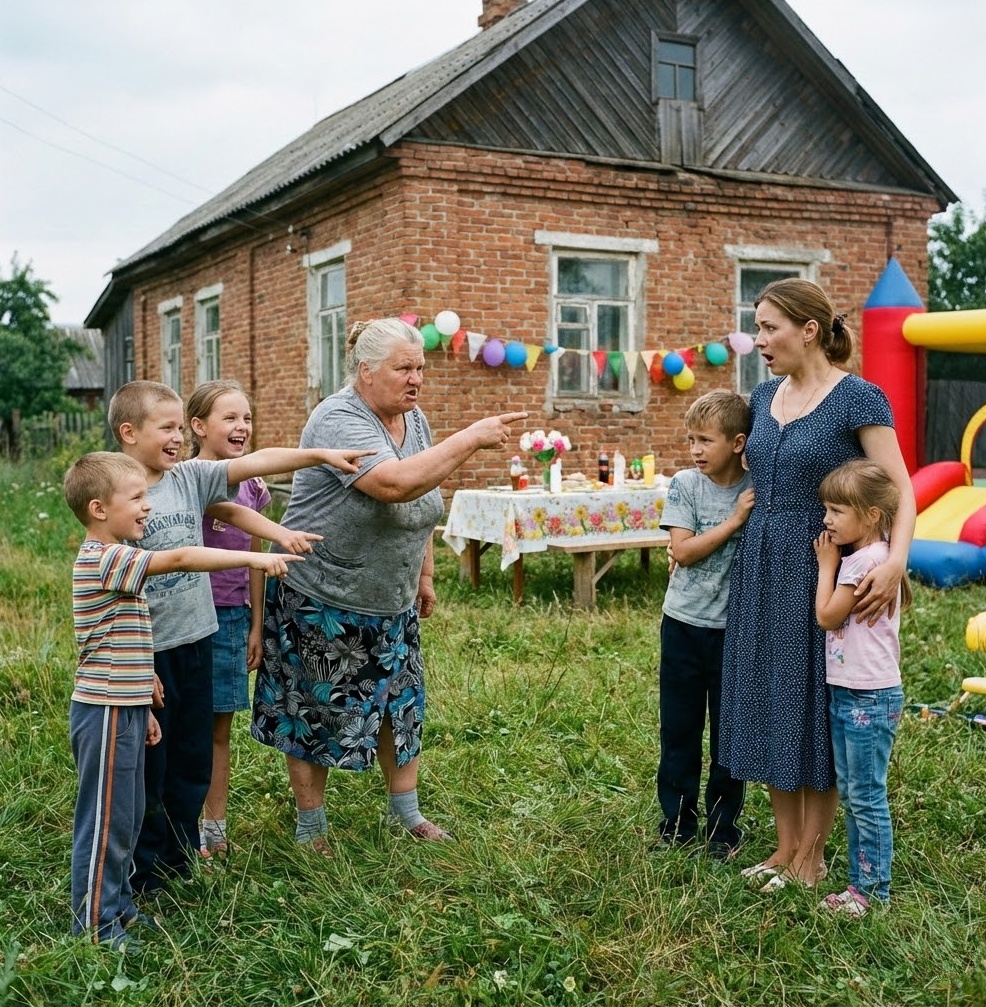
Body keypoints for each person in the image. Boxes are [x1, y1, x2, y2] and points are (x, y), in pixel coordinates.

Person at [251, 317, 526, 853]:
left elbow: (423, 495)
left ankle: (408, 812)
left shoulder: (412, 418)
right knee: (316, 712)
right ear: (366, 370)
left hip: (390, 597)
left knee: (400, 706)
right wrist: (470, 437)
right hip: (324, 595)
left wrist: (424, 573)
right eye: (404, 368)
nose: (416, 378)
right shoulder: (338, 418)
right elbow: (393, 485)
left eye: (420, 367)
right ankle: (312, 828)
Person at [106, 379, 372, 894]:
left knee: (192, 756)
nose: (178, 437)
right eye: (168, 428)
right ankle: (142, 871)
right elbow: (113, 590)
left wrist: (318, 453)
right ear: (128, 432)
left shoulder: (188, 477)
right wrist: (138, 662)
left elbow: (255, 465)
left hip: (198, 639)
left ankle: (180, 859)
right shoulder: (116, 494)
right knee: (150, 767)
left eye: (181, 428)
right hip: (149, 650)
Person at [719, 277, 915, 891]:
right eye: (756, 327)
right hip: (760, 563)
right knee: (771, 697)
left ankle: (812, 858)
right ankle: (783, 850)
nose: (759, 340)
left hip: (821, 564)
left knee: (811, 706)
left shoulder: (858, 399)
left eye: (769, 328)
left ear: (809, 330)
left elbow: (901, 489)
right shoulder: (764, 393)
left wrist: (894, 562)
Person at [63, 451, 299, 950]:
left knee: (127, 813)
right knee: (105, 819)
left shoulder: (118, 554)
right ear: (99, 509)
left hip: (125, 707)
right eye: (137, 498)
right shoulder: (105, 557)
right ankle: (94, 923)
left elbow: (119, 638)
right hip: (103, 712)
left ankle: (120, 905)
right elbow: (179, 557)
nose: (147, 507)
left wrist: (144, 703)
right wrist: (254, 555)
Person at [656, 390, 754, 860]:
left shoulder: (758, 486)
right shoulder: (685, 485)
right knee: (679, 728)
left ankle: (723, 830)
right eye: (690, 439)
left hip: (734, 635)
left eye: (705, 440)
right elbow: (684, 551)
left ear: (738, 442)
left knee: (728, 735)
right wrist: (735, 521)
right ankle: (676, 822)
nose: (695, 449)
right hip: (683, 627)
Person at [813, 459, 910, 915]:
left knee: (865, 795)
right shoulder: (879, 554)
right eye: (826, 509)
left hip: (866, 696)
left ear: (870, 515)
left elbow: (827, 616)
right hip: (857, 691)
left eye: (836, 511)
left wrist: (826, 564)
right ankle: (861, 883)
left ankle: (871, 892)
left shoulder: (863, 561)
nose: (827, 520)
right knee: (856, 791)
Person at [185, 380, 272, 858]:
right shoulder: (185, 481)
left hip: (232, 618)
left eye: (246, 418)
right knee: (183, 724)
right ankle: (179, 820)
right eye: (230, 418)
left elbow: (254, 558)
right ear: (198, 427)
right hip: (187, 617)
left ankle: (214, 826)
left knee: (219, 728)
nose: (242, 427)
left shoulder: (255, 487)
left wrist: (256, 623)